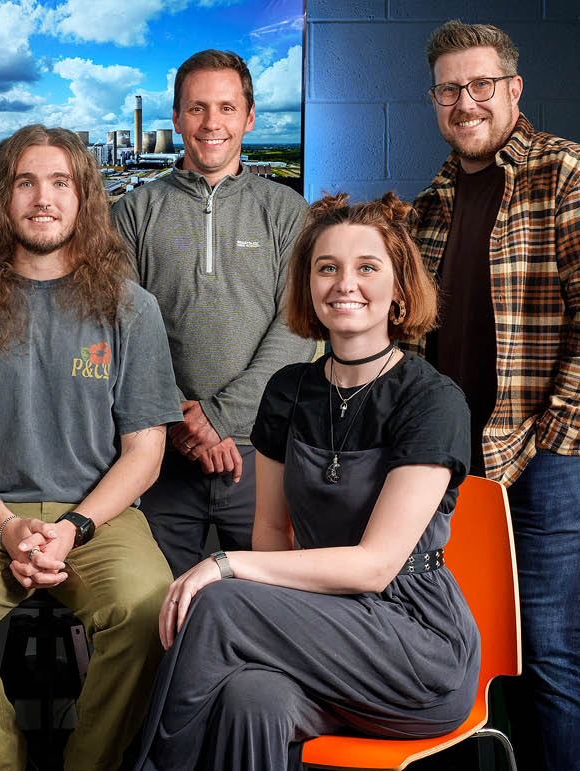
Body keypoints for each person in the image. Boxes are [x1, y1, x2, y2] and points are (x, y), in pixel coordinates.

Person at [135, 193, 480, 771]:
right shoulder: (288, 391)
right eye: (328, 268)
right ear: (308, 285)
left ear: (399, 288)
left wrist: (225, 564)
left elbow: (373, 567)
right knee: (252, 699)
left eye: (367, 267)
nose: (346, 283)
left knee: (220, 604)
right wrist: (263, 590)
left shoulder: (433, 400)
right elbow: (270, 530)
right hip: (317, 627)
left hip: (414, 643)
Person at [0, 124, 181, 771]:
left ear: (83, 198)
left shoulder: (130, 308)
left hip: (101, 516)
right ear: (2, 197)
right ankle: (3, 759)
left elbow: (144, 450)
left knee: (147, 609)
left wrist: (75, 526)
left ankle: (91, 761)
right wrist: (5, 526)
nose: (42, 197)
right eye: (25, 181)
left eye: (60, 182)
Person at [410, 20, 580, 770]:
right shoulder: (432, 203)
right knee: (453, 648)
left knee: (545, 655)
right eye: (449, 89)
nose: (465, 102)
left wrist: (551, 434)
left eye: (480, 85)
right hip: (450, 468)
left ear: (512, 89)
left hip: (544, 461)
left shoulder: (562, 173)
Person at [111, 49, 315, 578]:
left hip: (263, 454)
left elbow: (297, 328)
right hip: (157, 455)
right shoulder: (132, 212)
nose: (211, 123)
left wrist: (218, 419)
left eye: (226, 107)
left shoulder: (287, 211)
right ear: (176, 119)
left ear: (248, 117)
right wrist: (180, 421)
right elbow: (117, 328)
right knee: (153, 615)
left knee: (269, 612)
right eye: (197, 108)